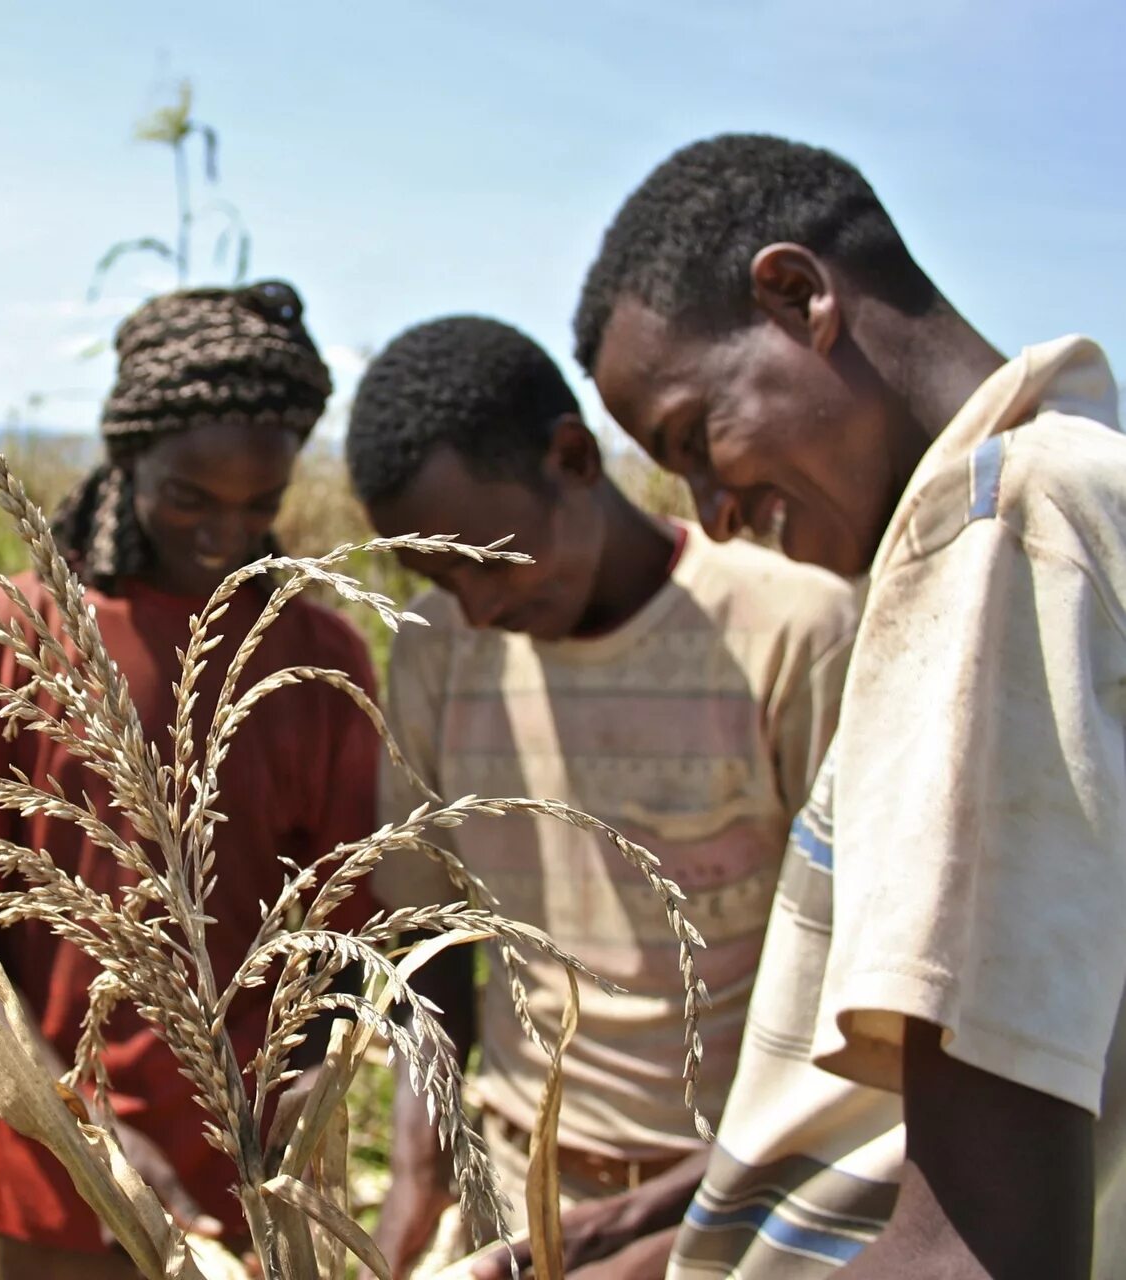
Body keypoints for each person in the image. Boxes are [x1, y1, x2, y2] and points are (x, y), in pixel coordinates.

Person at [576, 132, 1126, 1278]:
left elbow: (982, 1249)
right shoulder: (1073, 485)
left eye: (695, 436)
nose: (710, 511)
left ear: (797, 296)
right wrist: (637, 1225)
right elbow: (989, 1093)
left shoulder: (1000, 529)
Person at [343, 316, 857, 1278]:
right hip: (518, 1192)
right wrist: (425, 1157)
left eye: (484, 561)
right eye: (435, 577)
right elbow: (429, 927)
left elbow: (856, 977)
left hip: (747, 1204)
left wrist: (698, 1206)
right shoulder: (437, 648)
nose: (479, 606)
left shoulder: (792, 631)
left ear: (571, 458)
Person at [0, 281, 381, 1280]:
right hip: (51, 1174)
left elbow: (342, 925)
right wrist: (84, 1130)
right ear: (126, 463)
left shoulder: (316, 654)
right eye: (189, 497)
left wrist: (309, 1089)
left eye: (262, 505)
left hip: (250, 1178)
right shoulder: (13, 632)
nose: (224, 534)